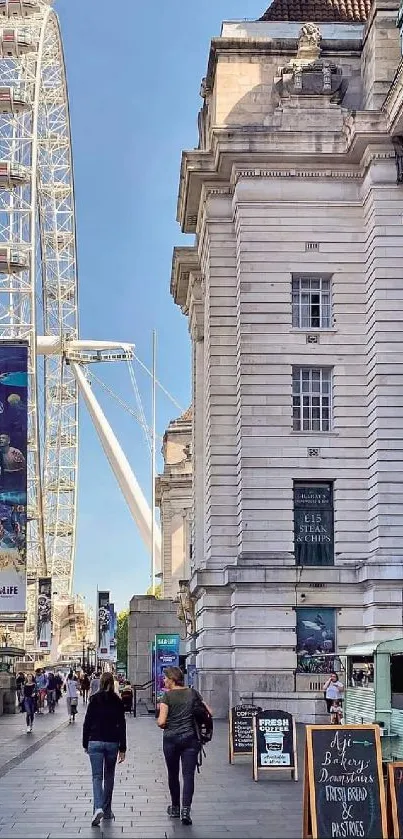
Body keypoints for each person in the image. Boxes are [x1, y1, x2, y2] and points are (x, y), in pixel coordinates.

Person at [157, 666, 211, 826]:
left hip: (171, 739)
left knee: (173, 774)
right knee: (188, 776)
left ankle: (175, 807)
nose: (164, 680)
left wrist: (163, 721)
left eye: (166, 677)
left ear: (173, 679)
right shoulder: (193, 693)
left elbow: (161, 721)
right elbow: (209, 712)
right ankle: (186, 810)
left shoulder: (167, 697)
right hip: (190, 739)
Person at [83, 671, 126, 827]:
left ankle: (98, 808)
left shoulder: (94, 699)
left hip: (94, 741)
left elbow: (87, 723)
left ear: (100, 683)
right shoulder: (117, 701)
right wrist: (123, 748)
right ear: (112, 683)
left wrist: (84, 743)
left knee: (96, 777)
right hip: (112, 742)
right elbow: (122, 725)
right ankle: (106, 810)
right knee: (109, 776)